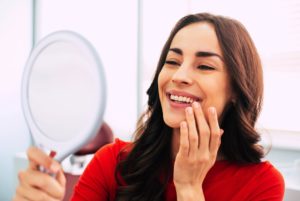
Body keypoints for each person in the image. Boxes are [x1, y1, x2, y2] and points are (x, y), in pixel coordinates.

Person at [13, 12, 285, 201]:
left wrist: (189, 189)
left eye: (204, 66)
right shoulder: (111, 162)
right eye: (172, 61)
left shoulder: (263, 185)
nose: (179, 76)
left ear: (237, 90)